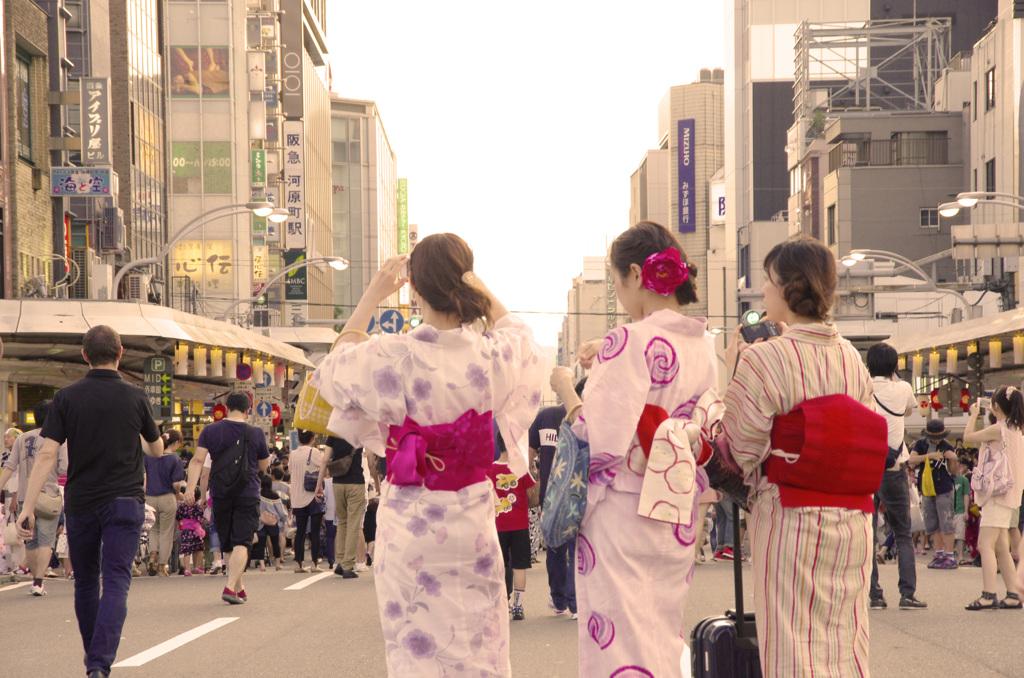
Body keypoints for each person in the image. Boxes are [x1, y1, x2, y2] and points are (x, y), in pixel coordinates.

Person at [314, 235, 543, 677]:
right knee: (481, 645)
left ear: (414, 288)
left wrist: (373, 293)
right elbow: (521, 336)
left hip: (411, 523)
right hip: (474, 518)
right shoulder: (492, 354)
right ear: (466, 283)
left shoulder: (393, 355)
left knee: (414, 651)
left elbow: (333, 371)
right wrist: (479, 287)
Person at [550, 221, 717, 677]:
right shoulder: (703, 344)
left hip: (624, 508)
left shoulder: (629, 340)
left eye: (617, 282)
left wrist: (566, 390)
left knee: (620, 641)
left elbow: (596, 435)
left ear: (636, 276)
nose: (620, 294)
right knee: (660, 632)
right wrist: (606, 347)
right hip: (676, 507)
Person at [719, 238, 881, 677]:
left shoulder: (765, 358)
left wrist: (733, 371)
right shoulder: (850, 356)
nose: (763, 293)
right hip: (851, 522)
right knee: (845, 640)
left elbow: (739, 449)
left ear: (789, 288)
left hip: (792, 516)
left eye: (768, 283)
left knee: (792, 643)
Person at [16, 326, 164, 678]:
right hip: (126, 501)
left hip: (82, 502)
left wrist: (26, 506)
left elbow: (48, 454)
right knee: (116, 580)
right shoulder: (136, 397)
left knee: (85, 581)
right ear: (121, 352)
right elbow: (157, 449)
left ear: (85, 355)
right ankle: (99, 663)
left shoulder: (66, 398)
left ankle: (94, 660)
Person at [185, 392, 270, 605]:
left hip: (220, 492)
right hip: (247, 492)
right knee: (243, 539)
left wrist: (191, 489)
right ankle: (231, 587)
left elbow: (197, 461)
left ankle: (239, 588)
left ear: (226, 407)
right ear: (248, 409)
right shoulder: (256, 433)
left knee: (229, 543)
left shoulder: (210, 430)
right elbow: (264, 465)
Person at [866, 342, 927, 610]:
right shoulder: (903, 388)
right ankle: (907, 594)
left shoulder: (862, 387)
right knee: (902, 533)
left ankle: (874, 595)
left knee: (868, 534)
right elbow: (910, 410)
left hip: (866, 469)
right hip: (893, 469)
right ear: (894, 366)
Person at [527, 378, 586, 619]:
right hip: (577, 493)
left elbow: (530, 451)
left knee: (555, 546)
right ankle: (572, 602)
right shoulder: (583, 420)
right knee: (572, 547)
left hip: (550, 495)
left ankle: (561, 599)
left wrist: (533, 473)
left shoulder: (545, 415)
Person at [963, 388, 1024, 610]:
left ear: (996, 406)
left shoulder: (1000, 429)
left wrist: (972, 415)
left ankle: (988, 594)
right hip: (1010, 495)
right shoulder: (1016, 429)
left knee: (984, 544)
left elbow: (967, 437)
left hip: (997, 495)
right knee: (1001, 546)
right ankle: (1013, 593)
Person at [0, 401, 68, 596]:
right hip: (48, 496)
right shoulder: (59, 439)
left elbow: (10, 467)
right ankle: (38, 581)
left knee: (30, 540)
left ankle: (33, 577)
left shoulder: (22, 439)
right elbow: (64, 468)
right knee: (47, 540)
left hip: (24, 496)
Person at [487, 433, 537, 621]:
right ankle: (517, 605)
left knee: (499, 565)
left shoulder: (489, 470)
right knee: (519, 566)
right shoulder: (521, 468)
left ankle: (501, 603)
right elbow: (532, 493)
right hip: (520, 525)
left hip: (497, 525)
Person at [909, 419, 960, 569]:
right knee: (932, 524)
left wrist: (953, 459)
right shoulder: (921, 444)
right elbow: (911, 460)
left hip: (944, 489)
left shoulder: (947, 446)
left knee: (946, 522)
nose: (936, 439)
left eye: (939, 436)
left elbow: (953, 472)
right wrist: (929, 456)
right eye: (933, 436)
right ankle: (939, 554)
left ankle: (949, 555)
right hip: (926, 489)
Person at [322, 436, 366, 578]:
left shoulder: (334, 433)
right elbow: (371, 459)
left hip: (338, 482)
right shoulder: (360, 431)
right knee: (353, 524)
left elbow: (325, 460)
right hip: (356, 482)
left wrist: (319, 483)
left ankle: (340, 562)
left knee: (342, 522)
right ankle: (348, 565)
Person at [144, 429, 185, 576]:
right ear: (174, 442)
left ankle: (153, 555)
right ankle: (162, 565)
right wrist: (179, 493)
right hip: (167, 497)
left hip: (149, 497)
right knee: (166, 533)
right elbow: (175, 484)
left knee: (153, 530)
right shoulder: (175, 459)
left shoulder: (148, 457)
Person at [289, 430, 326, 572]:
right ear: (312, 438)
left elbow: (291, 470)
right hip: (313, 496)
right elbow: (323, 468)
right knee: (315, 532)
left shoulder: (292, 454)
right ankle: (315, 564)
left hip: (297, 497)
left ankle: (299, 564)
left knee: (300, 532)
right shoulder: (315, 452)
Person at [254, 474, 286, 571]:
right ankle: (277, 564)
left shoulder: (257, 495)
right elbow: (281, 511)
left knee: (261, 544)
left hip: (261, 523)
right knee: (275, 543)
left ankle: (262, 565)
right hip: (273, 522)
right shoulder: (274, 495)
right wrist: (283, 520)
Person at [176, 488, 207, 575]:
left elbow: (178, 517)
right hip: (196, 531)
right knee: (199, 548)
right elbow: (200, 518)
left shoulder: (182, 506)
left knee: (187, 550)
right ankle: (197, 567)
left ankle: (187, 569)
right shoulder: (197, 507)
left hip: (186, 531)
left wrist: (181, 524)